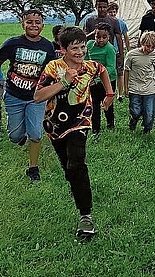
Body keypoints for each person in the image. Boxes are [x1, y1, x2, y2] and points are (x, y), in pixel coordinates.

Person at [34, 27, 114, 239]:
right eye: (74, 48)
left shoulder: (90, 67)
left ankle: (85, 216)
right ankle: (76, 186)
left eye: (82, 47)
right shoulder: (54, 67)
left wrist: (109, 93)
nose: (80, 52)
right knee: (69, 169)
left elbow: (103, 69)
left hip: (80, 121)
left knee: (77, 163)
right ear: (64, 49)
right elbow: (38, 96)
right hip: (55, 125)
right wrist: (65, 82)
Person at [0, 9, 56, 182]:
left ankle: (33, 168)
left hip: (36, 98)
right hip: (14, 96)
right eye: (29, 22)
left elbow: (51, 72)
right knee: (15, 136)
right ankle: (21, 135)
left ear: (43, 25)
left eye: (37, 22)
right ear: (23, 24)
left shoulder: (47, 47)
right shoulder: (13, 43)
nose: (33, 25)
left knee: (36, 134)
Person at [125, 31, 155, 134]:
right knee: (135, 111)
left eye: (153, 47)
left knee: (149, 113)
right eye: (148, 46)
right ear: (142, 43)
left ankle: (147, 131)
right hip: (134, 87)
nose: (150, 49)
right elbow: (126, 70)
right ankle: (133, 120)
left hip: (150, 88)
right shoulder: (131, 55)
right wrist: (125, 88)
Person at [85, 23, 117, 135]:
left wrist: (98, 78)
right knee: (94, 105)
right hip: (92, 80)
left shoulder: (110, 49)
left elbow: (111, 67)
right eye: (98, 37)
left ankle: (110, 123)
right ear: (94, 35)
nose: (101, 40)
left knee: (107, 104)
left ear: (109, 37)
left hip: (108, 80)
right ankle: (95, 129)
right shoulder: (89, 45)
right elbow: (86, 61)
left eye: (104, 37)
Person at [82, 0, 124, 70]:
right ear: (96, 7)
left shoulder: (114, 21)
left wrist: (121, 55)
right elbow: (83, 38)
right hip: (93, 54)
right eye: (100, 7)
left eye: (104, 7)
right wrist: (93, 33)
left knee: (111, 72)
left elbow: (119, 39)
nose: (102, 9)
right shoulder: (89, 21)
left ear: (107, 7)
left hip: (108, 53)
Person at [107, 1, 130, 101]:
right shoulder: (105, 23)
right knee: (108, 73)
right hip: (108, 52)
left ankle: (120, 94)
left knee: (120, 73)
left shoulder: (121, 23)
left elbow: (126, 37)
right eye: (110, 12)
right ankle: (109, 92)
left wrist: (128, 51)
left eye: (114, 12)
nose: (112, 14)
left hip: (118, 51)